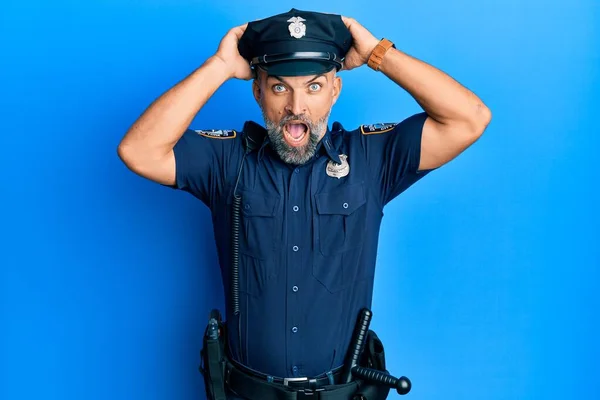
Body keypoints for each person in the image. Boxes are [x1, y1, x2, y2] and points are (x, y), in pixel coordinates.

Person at [117, 8, 491, 400]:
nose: (297, 107)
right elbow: (138, 150)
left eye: (313, 87)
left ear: (335, 90)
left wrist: (379, 54)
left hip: (343, 393)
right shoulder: (226, 163)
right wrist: (220, 66)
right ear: (258, 92)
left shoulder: (370, 159)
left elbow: (469, 118)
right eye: (280, 87)